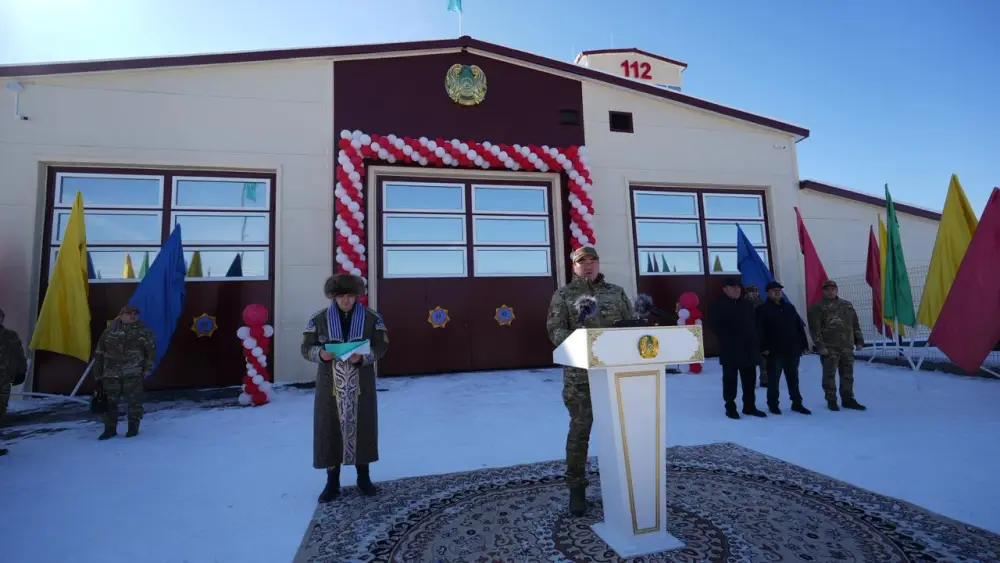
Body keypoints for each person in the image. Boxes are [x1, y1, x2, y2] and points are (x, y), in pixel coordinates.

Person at [546, 246, 632, 517]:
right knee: (580, 433)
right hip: (580, 378)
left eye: (592, 260)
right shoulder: (564, 295)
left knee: (619, 434)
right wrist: (580, 344)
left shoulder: (616, 292)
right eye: (582, 262)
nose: (588, 265)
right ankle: (577, 489)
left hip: (614, 374)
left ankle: (621, 484)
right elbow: (554, 330)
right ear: (574, 267)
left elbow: (630, 326)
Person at [302, 274, 389, 503]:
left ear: (357, 296)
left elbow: (382, 345)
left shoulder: (372, 319)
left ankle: (364, 477)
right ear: (333, 297)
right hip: (329, 385)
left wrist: (365, 357)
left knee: (364, 427)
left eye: (350, 296)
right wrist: (319, 354)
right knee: (328, 429)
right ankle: (332, 482)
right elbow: (305, 347)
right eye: (341, 296)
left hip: (361, 384)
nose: (346, 301)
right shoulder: (318, 319)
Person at [92, 305, 156, 440]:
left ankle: (133, 428)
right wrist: (97, 373)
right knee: (110, 403)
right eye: (129, 313)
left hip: (133, 373)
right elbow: (99, 353)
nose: (133, 316)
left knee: (134, 403)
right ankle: (110, 429)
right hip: (111, 374)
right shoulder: (109, 332)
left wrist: (147, 369)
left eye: (136, 314)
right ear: (121, 315)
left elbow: (150, 352)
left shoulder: (144, 332)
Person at [708, 277, 766, 420]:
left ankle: (749, 406)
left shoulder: (746, 304)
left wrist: (756, 343)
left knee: (749, 380)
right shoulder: (717, 305)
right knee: (730, 381)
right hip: (730, 350)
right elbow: (715, 326)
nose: (737, 289)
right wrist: (729, 339)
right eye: (733, 287)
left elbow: (753, 325)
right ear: (724, 289)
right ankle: (730, 407)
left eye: (738, 287)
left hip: (748, 350)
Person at [807, 280, 867, 411]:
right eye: (827, 289)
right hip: (829, 348)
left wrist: (859, 340)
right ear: (823, 291)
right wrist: (820, 346)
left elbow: (855, 324)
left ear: (836, 290)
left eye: (833, 289)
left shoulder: (847, 305)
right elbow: (814, 329)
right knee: (829, 375)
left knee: (847, 374)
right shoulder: (817, 307)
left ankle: (848, 399)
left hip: (847, 346)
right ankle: (831, 400)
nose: (831, 291)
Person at [756, 281, 811, 415]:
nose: (777, 292)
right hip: (774, 351)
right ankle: (773, 404)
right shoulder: (762, 310)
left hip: (792, 350)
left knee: (793, 379)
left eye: (779, 290)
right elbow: (758, 331)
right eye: (774, 290)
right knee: (774, 380)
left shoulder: (789, 308)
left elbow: (799, 327)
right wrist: (763, 348)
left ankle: (797, 403)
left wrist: (803, 344)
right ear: (768, 293)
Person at [0, 308, 28, 456]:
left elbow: (19, 355)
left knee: (1, 412)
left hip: (3, 382)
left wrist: (21, 372)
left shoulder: (11, 336)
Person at [743, 285, 768, 388]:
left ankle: (764, 380)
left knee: (764, 359)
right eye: (751, 292)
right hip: (748, 335)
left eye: (755, 292)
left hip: (760, 334)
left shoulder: (762, 303)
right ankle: (749, 382)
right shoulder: (743, 304)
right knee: (749, 361)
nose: (753, 294)